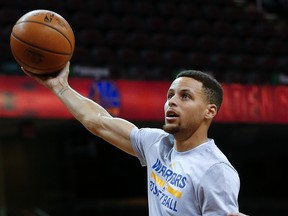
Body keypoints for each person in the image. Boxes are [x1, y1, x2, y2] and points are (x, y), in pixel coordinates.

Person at [22, 63, 247, 215]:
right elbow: (99, 121)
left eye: (185, 96)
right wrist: (60, 86)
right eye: (170, 95)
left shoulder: (216, 170)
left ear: (210, 111)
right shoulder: (157, 143)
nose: (172, 102)